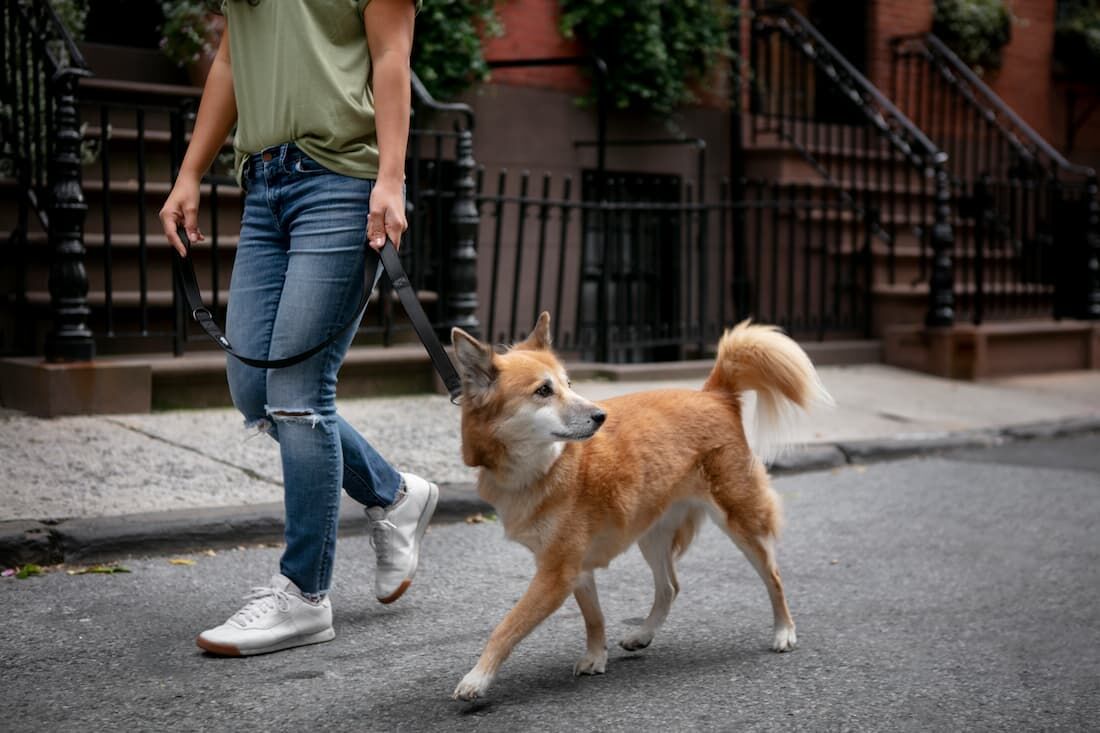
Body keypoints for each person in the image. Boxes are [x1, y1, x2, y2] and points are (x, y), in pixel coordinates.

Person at [159, 0, 437, 657]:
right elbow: (232, 58)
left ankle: (304, 593)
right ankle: (393, 495)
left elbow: (392, 55)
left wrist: (390, 180)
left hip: (342, 181)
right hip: (265, 184)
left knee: (298, 390)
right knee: (254, 388)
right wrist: (190, 172)